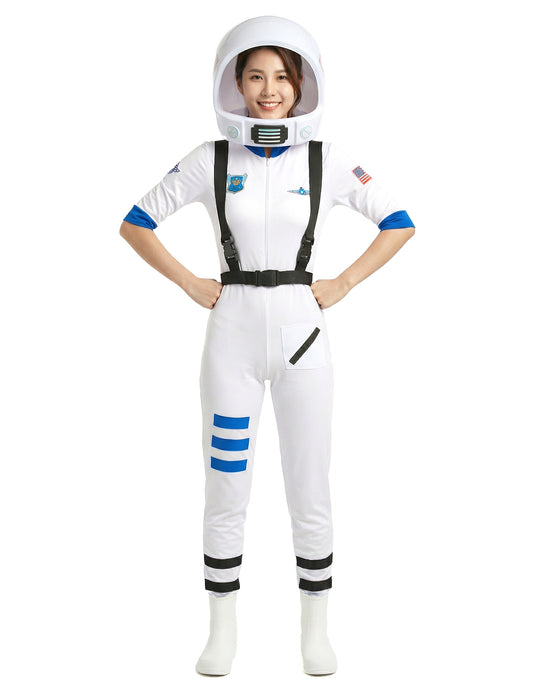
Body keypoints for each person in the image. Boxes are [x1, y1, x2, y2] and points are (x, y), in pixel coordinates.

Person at [119, 15, 415, 676]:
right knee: (226, 483)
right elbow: (136, 222)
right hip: (230, 338)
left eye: (282, 76)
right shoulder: (211, 159)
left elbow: (398, 221)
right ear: (234, 84)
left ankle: (316, 629)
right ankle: (221, 629)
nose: (269, 90)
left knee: (309, 484)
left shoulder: (327, 159)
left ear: (302, 85)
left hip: (303, 336)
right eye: (254, 76)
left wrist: (343, 282)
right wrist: (189, 281)